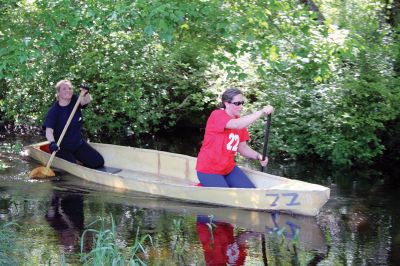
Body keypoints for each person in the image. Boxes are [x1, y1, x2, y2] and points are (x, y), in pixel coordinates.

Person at [196, 88, 274, 188]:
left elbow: (243, 148)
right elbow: (236, 125)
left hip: (228, 168)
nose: (241, 107)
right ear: (227, 104)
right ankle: (203, 185)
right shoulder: (217, 115)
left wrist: (258, 156)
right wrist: (261, 112)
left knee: (250, 191)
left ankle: (212, 184)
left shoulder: (240, 122)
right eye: (237, 103)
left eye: (242, 103)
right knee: (226, 197)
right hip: (208, 169)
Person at [43, 79, 104, 169]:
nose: (68, 90)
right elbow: (49, 131)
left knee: (98, 162)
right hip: (61, 147)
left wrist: (86, 93)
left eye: (70, 88)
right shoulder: (54, 111)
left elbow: (87, 100)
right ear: (58, 93)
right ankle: (75, 161)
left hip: (78, 144)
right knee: (73, 167)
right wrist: (52, 143)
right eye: (64, 89)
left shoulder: (75, 100)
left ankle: (78, 159)